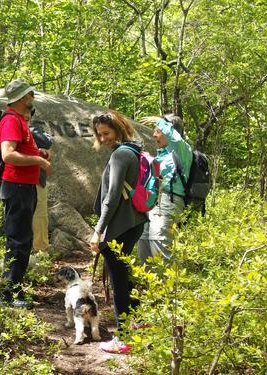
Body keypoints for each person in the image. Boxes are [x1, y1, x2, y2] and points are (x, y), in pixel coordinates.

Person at [89, 110, 147, 353]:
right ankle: (137, 323)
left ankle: (123, 338)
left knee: (119, 281)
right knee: (124, 274)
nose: (103, 139)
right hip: (133, 222)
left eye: (107, 133)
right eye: (99, 134)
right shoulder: (132, 150)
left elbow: (111, 198)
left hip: (120, 226)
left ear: (119, 130)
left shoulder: (121, 155)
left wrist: (98, 230)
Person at [0, 78, 52, 309]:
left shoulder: (20, 120)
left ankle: (16, 291)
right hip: (16, 187)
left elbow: (18, 150)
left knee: (24, 241)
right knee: (18, 241)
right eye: (30, 95)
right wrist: (37, 159)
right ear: (21, 98)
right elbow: (7, 155)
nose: (33, 98)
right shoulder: (11, 120)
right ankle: (7, 295)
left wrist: (36, 152)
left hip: (24, 188)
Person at [137, 114, 193, 264]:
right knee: (143, 239)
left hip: (169, 202)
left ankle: (169, 286)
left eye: (158, 130)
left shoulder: (183, 149)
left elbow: (176, 139)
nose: (154, 135)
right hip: (152, 202)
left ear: (170, 131)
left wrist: (160, 121)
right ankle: (150, 285)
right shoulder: (162, 155)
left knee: (159, 241)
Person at [28, 112, 53, 253]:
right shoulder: (15, 131)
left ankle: (40, 249)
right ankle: (38, 248)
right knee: (38, 213)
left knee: (39, 214)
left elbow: (47, 143)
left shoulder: (32, 131)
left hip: (35, 179)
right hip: (24, 180)